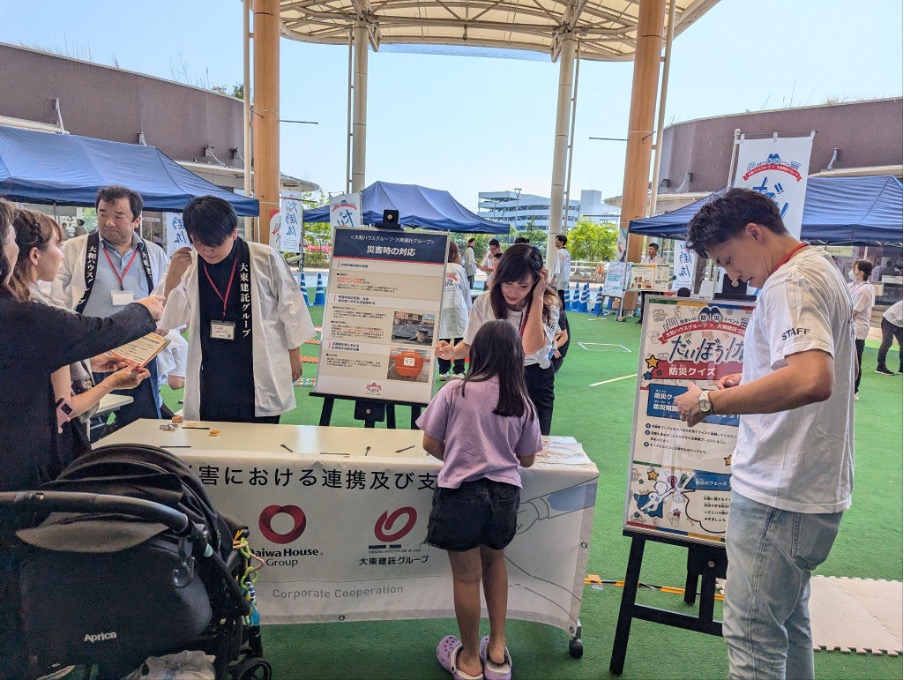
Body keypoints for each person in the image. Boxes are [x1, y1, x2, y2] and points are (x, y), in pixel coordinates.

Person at [674, 188, 854, 680]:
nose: (733, 275)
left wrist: (710, 402)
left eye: (729, 259)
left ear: (754, 232)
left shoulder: (789, 282)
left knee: (753, 638)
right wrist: (751, 380)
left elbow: (812, 379)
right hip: (809, 488)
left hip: (780, 490)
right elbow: (811, 369)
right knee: (788, 625)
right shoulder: (819, 268)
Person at [0, 197, 163, 492]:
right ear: (34, 255)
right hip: (28, 466)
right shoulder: (29, 313)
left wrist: (91, 361)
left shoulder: (26, 308)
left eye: (119, 215)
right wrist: (142, 312)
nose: (62, 254)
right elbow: (65, 407)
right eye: (57, 244)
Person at [419, 320, 541, 680]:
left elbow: (429, 442)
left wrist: (460, 457)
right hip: (505, 495)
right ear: (515, 357)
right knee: (496, 563)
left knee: (466, 578)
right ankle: (498, 649)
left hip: (461, 494)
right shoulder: (521, 400)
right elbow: (527, 458)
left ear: (477, 353)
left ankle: (470, 659)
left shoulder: (455, 390)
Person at [162, 195, 315, 423]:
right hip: (212, 364)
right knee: (212, 431)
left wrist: (294, 354)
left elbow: (291, 307)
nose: (207, 251)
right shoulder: (187, 264)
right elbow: (170, 318)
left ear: (234, 232)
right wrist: (172, 279)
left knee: (261, 430)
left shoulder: (264, 258)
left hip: (257, 363)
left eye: (215, 244)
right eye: (198, 242)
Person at [52, 185, 170, 430]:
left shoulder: (154, 253)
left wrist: (164, 324)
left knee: (143, 425)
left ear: (137, 220)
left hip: (139, 353)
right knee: (87, 424)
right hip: (90, 351)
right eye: (103, 214)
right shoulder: (75, 249)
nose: (108, 222)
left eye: (118, 216)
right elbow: (55, 298)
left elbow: (161, 297)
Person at [436, 243, 560, 435]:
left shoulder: (548, 304)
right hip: (493, 377)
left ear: (537, 281)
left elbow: (529, 347)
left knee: (536, 443)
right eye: (508, 283)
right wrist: (453, 352)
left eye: (523, 286)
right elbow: (469, 343)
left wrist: (537, 297)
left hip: (534, 378)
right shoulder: (485, 301)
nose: (513, 292)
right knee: (492, 442)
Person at [437, 241, 472, 380]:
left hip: (441, 305)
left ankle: (443, 371)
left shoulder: (438, 267)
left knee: (442, 337)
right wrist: (469, 308)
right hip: (457, 306)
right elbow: (465, 290)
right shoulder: (458, 268)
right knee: (460, 337)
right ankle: (458, 371)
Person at [848, 259, 875, 399]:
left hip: (858, 330)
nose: (852, 270)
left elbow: (854, 311)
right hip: (847, 328)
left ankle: (854, 390)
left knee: (856, 360)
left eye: (855, 268)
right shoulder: (851, 285)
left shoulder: (865, 289)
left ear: (861, 272)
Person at [636, 242, 665, 323]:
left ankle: (652, 319)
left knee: (653, 302)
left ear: (656, 250)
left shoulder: (660, 260)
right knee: (644, 301)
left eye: (651, 249)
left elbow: (661, 272)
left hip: (655, 285)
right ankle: (642, 319)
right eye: (648, 249)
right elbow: (640, 269)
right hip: (645, 283)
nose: (649, 251)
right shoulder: (644, 259)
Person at [875, 299, 903, 376]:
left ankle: (902, 369)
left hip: (900, 322)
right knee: (887, 342)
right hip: (889, 320)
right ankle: (880, 367)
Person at [550, 234, 571, 309]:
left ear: (561, 242)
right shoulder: (567, 252)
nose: (555, 242)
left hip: (559, 277)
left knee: (559, 295)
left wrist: (554, 277)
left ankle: (560, 311)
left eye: (557, 240)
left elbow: (558, 266)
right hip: (565, 277)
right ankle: (562, 311)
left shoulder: (559, 252)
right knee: (561, 294)